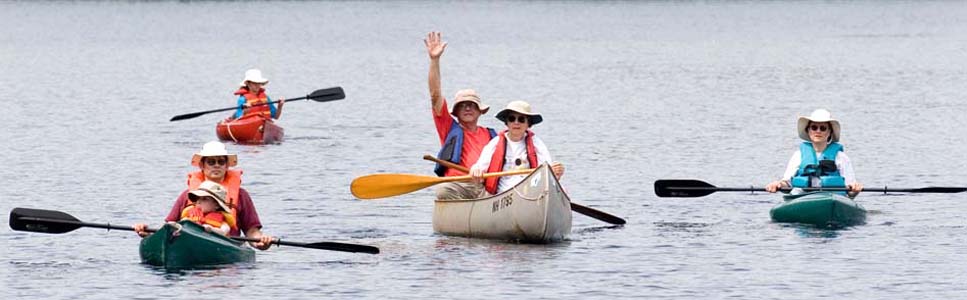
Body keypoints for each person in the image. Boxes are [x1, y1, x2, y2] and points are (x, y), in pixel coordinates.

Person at [134, 141, 274, 250]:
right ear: (202, 165)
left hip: (226, 245)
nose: (216, 165)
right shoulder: (187, 195)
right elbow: (168, 227)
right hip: (189, 243)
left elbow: (252, 231)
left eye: (221, 161)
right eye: (211, 162)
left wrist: (261, 241)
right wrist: (149, 233)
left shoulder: (241, 195)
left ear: (227, 166)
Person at [425, 31, 498, 199]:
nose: (467, 109)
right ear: (456, 112)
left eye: (472, 105)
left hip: (485, 186)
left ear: (480, 111)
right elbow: (435, 95)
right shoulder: (448, 128)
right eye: (462, 106)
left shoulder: (493, 136)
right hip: (459, 185)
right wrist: (434, 61)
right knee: (443, 190)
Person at [469, 101, 565, 195]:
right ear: (507, 123)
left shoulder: (536, 143)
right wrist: (476, 170)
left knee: (558, 189)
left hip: (529, 192)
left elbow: (547, 169)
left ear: (528, 124)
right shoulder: (496, 142)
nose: (516, 123)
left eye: (521, 119)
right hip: (502, 193)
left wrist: (556, 171)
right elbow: (480, 166)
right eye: (511, 119)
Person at [765, 109, 863, 198]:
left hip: (833, 197)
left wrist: (855, 189)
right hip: (803, 197)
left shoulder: (841, 157)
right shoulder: (798, 155)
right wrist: (778, 184)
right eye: (814, 127)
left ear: (829, 132)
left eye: (823, 128)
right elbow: (787, 184)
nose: (818, 131)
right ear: (808, 131)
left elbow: (850, 192)